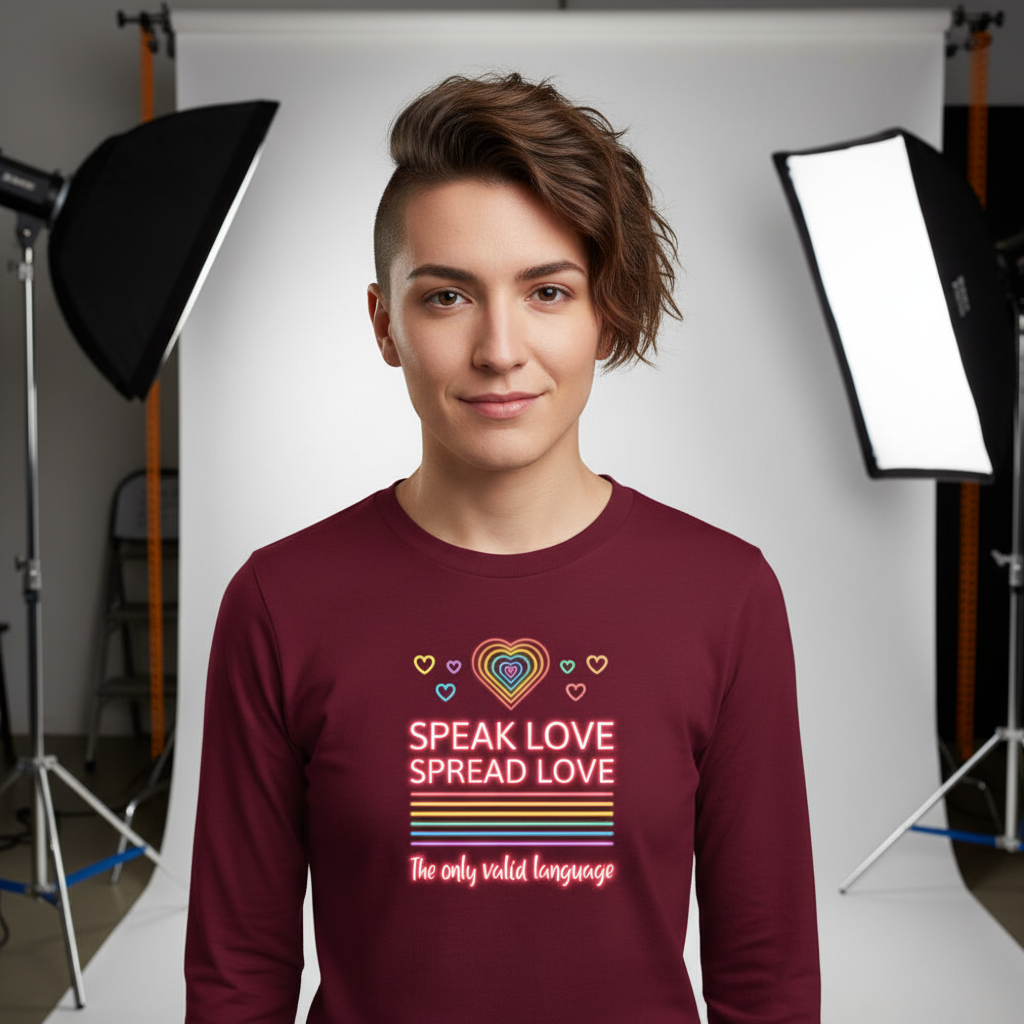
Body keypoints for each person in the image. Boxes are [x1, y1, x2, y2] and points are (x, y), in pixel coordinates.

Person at [184, 72, 820, 1024]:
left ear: (601, 312)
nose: (499, 348)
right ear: (384, 324)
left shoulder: (725, 593)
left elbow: (766, 970)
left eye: (548, 291)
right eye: (446, 297)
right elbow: (238, 970)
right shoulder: (281, 601)